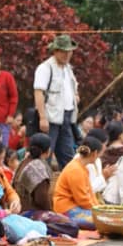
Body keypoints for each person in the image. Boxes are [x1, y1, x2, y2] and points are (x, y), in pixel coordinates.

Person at [33, 34, 80, 170]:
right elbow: (38, 92)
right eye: (64, 51)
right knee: (45, 156)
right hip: (50, 118)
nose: (67, 55)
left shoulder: (68, 69)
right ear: (55, 51)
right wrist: (42, 117)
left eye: (69, 51)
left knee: (68, 156)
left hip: (67, 117)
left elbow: (72, 88)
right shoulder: (45, 68)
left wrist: (75, 96)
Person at [52, 137, 104, 230]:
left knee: (103, 217)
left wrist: (99, 208)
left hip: (76, 206)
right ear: (95, 153)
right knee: (100, 221)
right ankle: (66, 221)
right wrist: (97, 211)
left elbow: (90, 193)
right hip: (65, 208)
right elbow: (82, 199)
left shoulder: (82, 168)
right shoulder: (75, 169)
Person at [12, 133, 54, 212]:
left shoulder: (25, 161)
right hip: (30, 213)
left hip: (19, 208)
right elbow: (41, 199)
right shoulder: (39, 169)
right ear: (47, 151)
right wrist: (51, 212)